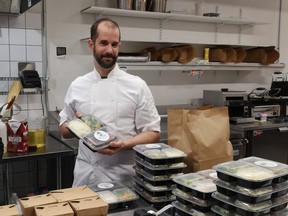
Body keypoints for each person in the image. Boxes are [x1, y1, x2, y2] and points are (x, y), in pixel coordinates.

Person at [59, 17, 161, 186]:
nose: (109, 50)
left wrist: (124, 144)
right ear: (91, 45)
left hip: (124, 179)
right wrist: (78, 126)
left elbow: (153, 133)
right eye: (104, 43)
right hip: (86, 177)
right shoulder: (77, 85)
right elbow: (63, 130)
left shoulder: (136, 85)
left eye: (114, 45)